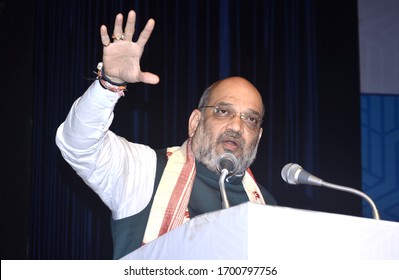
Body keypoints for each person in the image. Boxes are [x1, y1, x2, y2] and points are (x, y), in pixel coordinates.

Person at [56, 10, 277, 259]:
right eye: (223, 111)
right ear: (195, 122)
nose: (237, 126)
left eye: (250, 119)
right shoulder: (145, 171)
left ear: (257, 138)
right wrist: (109, 84)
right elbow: (79, 144)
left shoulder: (267, 206)